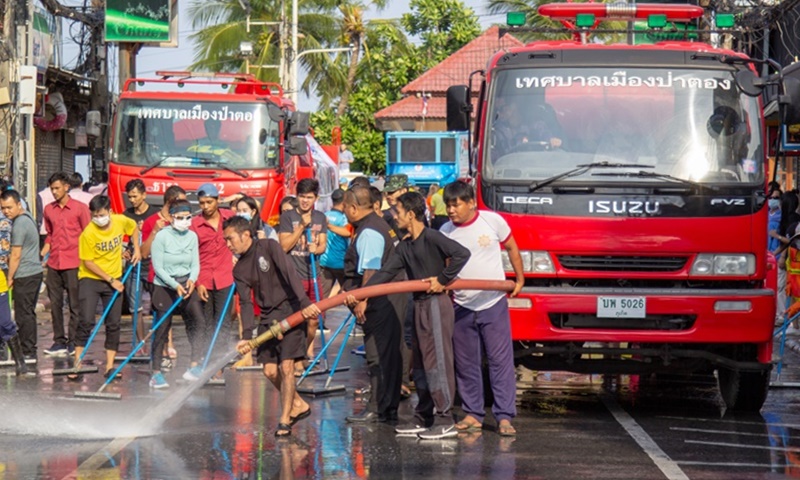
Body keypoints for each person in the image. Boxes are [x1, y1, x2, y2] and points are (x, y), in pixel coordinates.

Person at [361, 191, 470, 440]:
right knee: (420, 364)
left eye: (397, 211)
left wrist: (443, 279)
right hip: (417, 305)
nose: (393, 215)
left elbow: (462, 254)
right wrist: (361, 294)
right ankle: (424, 416)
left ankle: (445, 419)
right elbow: (385, 273)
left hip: (436, 304)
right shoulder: (405, 245)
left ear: (411, 214)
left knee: (437, 362)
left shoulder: (433, 237)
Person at [440, 180, 525, 437]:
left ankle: (504, 416)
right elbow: (444, 264)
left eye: (456, 205)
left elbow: (512, 247)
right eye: (448, 205)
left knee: (500, 360)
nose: (451, 210)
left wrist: (519, 279)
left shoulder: (492, 221)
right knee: (466, 363)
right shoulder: (445, 231)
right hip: (461, 305)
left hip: (493, 302)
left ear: (471, 204)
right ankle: (473, 413)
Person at [226, 216, 320, 437]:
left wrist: (305, 303)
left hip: (291, 311)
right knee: (269, 371)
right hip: (268, 318)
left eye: (230, 239)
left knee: (287, 367)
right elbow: (246, 303)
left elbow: (289, 271)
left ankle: (285, 419)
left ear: (245, 234)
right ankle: (298, 404)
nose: (228, 245)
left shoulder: (269, 246)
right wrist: (247, 336)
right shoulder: (239, 269)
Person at [341, 187, 407, 424]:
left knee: (377, 355)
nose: (344, 211)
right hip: (387, 299)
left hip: (379, 301)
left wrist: (362, 299)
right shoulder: (378, 224)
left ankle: (378, 408)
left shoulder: (369, 232)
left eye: (346, 207)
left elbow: (371, 268)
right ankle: (386, 407)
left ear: (354, 208)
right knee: (388, 354)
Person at [73, 195, 140, 379]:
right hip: (91, 279)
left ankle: (110, 366)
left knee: (113, 323)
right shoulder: (88, 233)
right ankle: (77, 364)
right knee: (86, 320)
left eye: (102, 214)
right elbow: (88, 262)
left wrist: (137, 249)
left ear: (110, 212)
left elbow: (134, 228)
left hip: (114, 278)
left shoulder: (119, 221)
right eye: (95, 215)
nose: (99, 219)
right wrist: (111, 280)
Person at [149, 199, 206, 389]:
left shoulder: (192, 236)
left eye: (188, 217)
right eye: (180, 217)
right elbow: (158, 268)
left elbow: (195, 263)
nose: (184, 221)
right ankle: (156, 373)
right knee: (163, 328)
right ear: (172, 217)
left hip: (186, 283)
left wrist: (192, 280)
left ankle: (195, 365)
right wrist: (175, 285)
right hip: (165, 286)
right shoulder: (162, 237)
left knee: (198, 320)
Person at [278, 178, 327, 370]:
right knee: (297, 319)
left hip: (313, 274)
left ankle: (304, 352)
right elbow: (284, 246)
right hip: (293, 276)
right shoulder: (288, 217)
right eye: (301, 197)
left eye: (309, 197)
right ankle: (296, 358)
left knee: (314, 320)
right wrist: (301, 227)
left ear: (315, 198)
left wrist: (318, 248)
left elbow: (323, 244)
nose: (305, 201)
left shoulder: (320, 217)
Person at [41, 172, 91, 357]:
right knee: (55, 305)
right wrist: (45, 251)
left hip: (74, 261)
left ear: (66, 187)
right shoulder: (48, 209)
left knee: (74, 305)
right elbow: (50, 233)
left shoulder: (80, 209)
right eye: (52, 189)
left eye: (57, 188)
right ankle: (59, 341)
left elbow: (88, 234)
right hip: (54, 262)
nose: (54, 192)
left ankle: (73, 342)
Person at [189, 183, 235, 381]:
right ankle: (204, 362)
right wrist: (198, 282)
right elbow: (192, 256)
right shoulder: (194, 224)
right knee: (206, 323)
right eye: (202, 203)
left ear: (218, 200)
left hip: (226, 277)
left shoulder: (230, 218)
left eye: (209, 202)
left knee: (223, 323)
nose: (206, 206)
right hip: (205, 280)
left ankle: (218, 365)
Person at [141, 185, 188, 363]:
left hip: (182, 274)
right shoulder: (152, 221)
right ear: (170, 202)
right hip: (159, 276)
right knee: (162, 314)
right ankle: (163, 351)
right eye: (181, 201)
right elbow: (144, 253)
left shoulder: (182, 220)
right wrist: (155, 231)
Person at [0, 190, 44, 364]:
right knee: (26, 313)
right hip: (33, 272)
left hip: (25, 274)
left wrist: (10, 277)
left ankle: (28, 351)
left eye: (9, 207)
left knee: (23, 314)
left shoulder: (19, 224)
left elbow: (16, 254)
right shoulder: (28, 219)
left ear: (19, 204)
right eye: (3, 208)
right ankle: (28, 350)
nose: (6, 211)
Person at [122, 179, 158, 326]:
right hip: (134, 265)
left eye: (135, 196)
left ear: (144, 195)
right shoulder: (127, 215)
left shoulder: (155, 213)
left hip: (152, 266)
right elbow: (120, 238)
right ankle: (139, 345)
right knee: (135, 308)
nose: (132, 200)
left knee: (159, 306)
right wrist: (123, 251)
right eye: (130, 197)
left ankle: (165, 343)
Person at [319, 189, 349, 298]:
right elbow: (348, 232)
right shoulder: (344, 218)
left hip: (325, 262)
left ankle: (319, 315)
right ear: (344, 202)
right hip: (340, 263)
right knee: (351, 295)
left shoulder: (324, 216)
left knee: (322, 300)